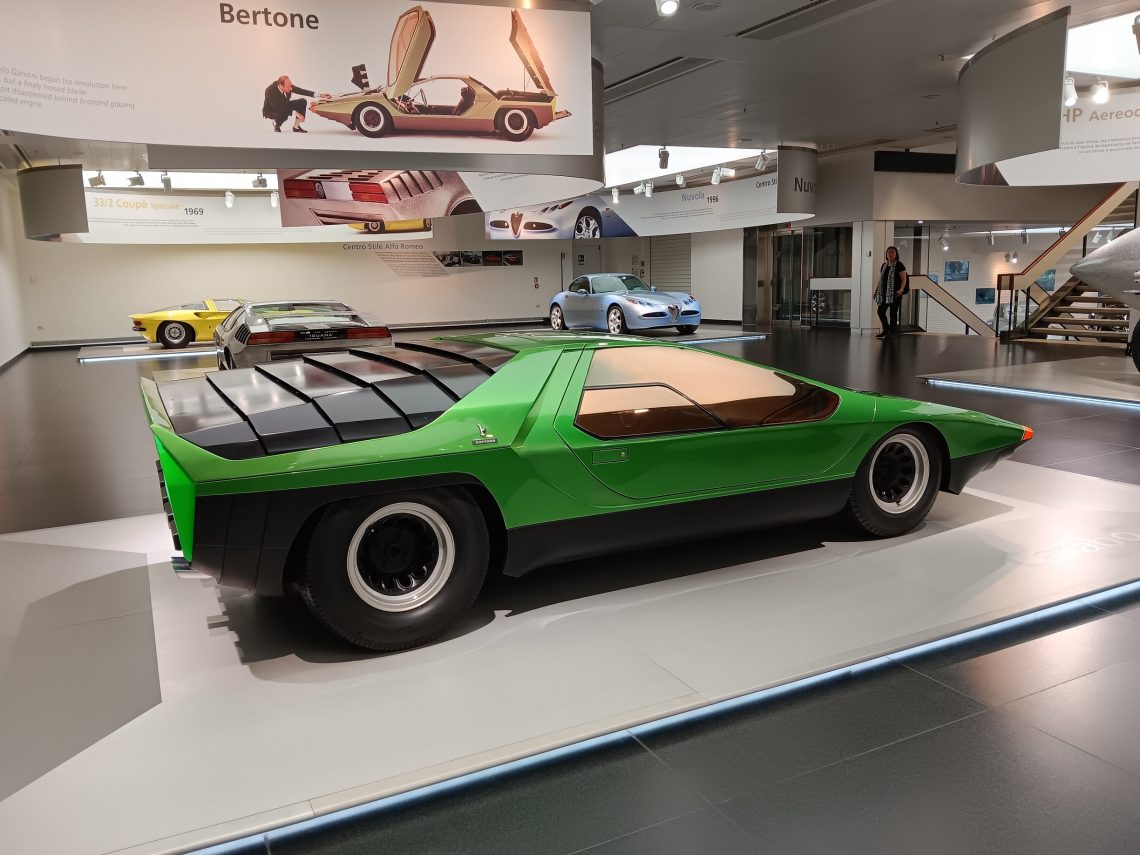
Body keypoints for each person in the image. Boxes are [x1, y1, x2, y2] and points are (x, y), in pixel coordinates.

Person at [262, 76, 330, 133]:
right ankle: (277, 124)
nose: (291, 88)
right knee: (284, 114)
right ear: (280, 86)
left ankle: (296, 127)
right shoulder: (270, 91)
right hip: (272, 110)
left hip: (284, 105)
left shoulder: (288, 86)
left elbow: (301, 91)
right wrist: (297, 113)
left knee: (302, 101)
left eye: (290, 85)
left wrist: (320, 95)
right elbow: (279, 108)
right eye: (288, 86)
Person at [874, 245, 908, 338]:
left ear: (896, 254)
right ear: (886, 254)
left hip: (895, 293)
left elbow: (904, 279)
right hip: (884, 294)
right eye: (889, 252)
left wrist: (901, 289)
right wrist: (876, 291)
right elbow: (881, 280)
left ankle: (891, 332)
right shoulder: (884, 265)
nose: (891, 254)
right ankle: (886, 329)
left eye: (893, 252)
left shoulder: (899, 265)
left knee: (893, 313)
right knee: (880, 311)